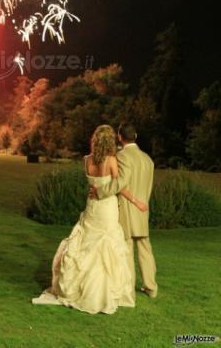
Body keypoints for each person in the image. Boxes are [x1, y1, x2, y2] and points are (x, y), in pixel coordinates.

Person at [31, 124, 148, 314]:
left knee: (86, 242)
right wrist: (137, 202)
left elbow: (95, 183)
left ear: (95, 141)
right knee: (106, 245)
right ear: (110, 141)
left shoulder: (87, 160)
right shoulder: (111, 160)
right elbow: (119, 186)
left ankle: (78, 288)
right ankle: (103, 292)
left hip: (92, 208)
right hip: (107, 208)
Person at [89, 122, 158, 299]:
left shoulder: (122, 157)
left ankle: (128, 288)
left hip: (128, 208)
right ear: (136, 136)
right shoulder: (148, 160)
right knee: (145, 249)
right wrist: (142, 204)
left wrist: (101, 191)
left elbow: (121, 183)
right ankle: (151, 287)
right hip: (143, 209)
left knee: (126, 247)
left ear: (120, 137)